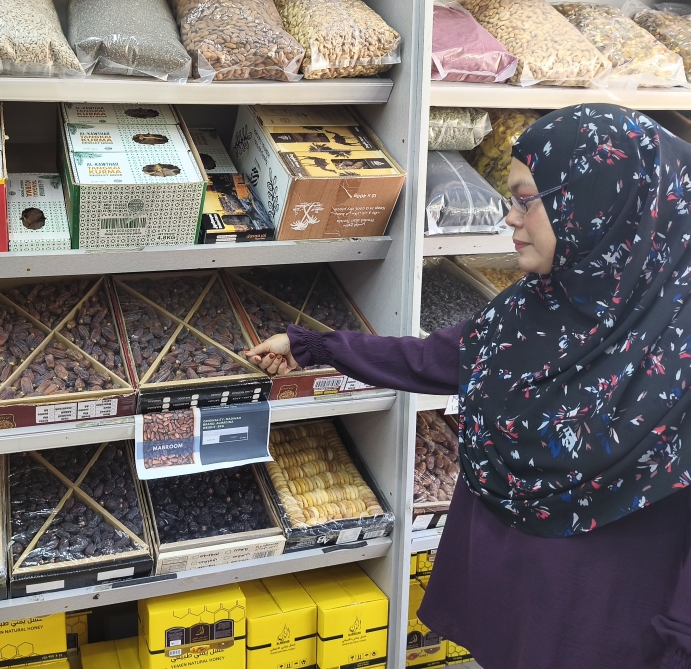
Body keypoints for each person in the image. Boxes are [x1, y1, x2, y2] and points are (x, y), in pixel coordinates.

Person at [245, 105, 691, 669]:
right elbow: (442, 357)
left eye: (526, 199)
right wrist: (314, 347)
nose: (509, 217)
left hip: (600, 630)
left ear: (600, 200)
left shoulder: (677, 347)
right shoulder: (538, 305)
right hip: (511, 600)